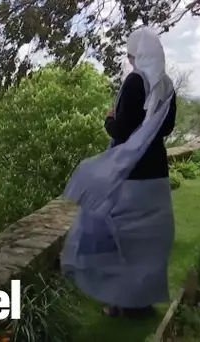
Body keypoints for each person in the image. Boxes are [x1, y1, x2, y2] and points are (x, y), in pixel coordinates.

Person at [60, 27, 177, 318]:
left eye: (130, 53)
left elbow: (123, 131)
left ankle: (121, 304)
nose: (128, 58)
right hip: (157, 173)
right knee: (148, 243)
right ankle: (142, 303)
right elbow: (167, 129)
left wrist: (108, 120)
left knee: (122, 241)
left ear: (137, 55)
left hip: (130, 174)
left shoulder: (135, 82)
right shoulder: (167, 85)